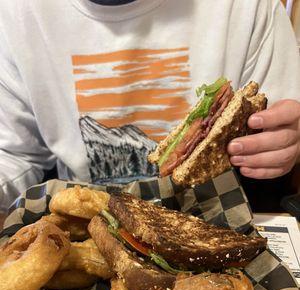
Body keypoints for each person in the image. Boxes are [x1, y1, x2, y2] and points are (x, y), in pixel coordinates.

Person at [0, 0, 299, 225]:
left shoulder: (246, 6)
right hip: (86, 222)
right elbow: (14, 155)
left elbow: (281, 120)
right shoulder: (16, 12)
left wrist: (285, 143)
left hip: (214, 218)